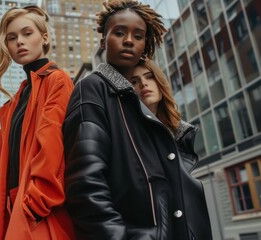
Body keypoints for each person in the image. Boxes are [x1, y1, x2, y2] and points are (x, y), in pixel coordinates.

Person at [62, 1, 212, 240]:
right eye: (119, 33)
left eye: (138, 35)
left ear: (145, 45)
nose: (129, 40)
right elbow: (86, 184)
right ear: (103, 42)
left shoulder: (142, 111)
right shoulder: (93, 88)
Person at [0, 5, 74, 240]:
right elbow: (1, 166)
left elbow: (52, 147)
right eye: (12, 37)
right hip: (8, 212)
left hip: (38, 213)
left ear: (44, 37)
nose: (20, 42)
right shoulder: (14, 102)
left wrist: (34, 205)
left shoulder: (56, 80)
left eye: (27, 33)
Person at [130, 59, 199, 173]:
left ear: (160, 83)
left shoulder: (180, 133)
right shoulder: (125, 132)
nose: (143, 83)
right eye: (134, 82)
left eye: (149, 77)